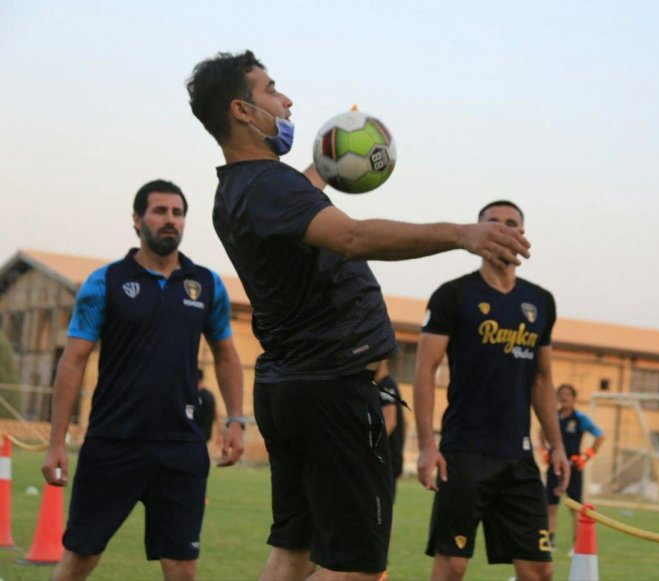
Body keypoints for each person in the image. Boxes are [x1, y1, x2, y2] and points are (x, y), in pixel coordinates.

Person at [186, 50, 530, 581]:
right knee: (356, 569)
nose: (287, 100)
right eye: (271, 90)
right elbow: (350, 236)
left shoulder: (235, 191)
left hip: (290, 388)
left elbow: (295, 202)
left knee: (293, 552)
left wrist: (327, 162)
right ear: (242, 111)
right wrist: (462, 234)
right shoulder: (270, 187)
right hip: (334, 391)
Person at [41, 180, 245, 581]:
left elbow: (226, 354)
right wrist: (55, 443)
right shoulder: (105, 282)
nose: (170, 220)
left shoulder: (207, 285)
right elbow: (73, 360)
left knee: (183, 570)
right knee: (78, 561)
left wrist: (236, 418)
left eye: (178, 213)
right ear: (137, 220)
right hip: (113, 443)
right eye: (160, 211)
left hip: (181, 448)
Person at [414, 200, 570, 581]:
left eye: (511, 223)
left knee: (539, 570)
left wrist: (557, 444)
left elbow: (542, 380)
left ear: (522, 235)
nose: (502, 229)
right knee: (452, 566)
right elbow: (424, 370)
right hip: (463, 452)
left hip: (518, 458)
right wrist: (426, 445)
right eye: (492, 223)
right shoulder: (453, 295)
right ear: (478, 233)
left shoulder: (540, 302)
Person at [540, 383, 604, 552]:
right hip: (555, 468)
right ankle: (549, 541)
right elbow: (541, 431)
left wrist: (587, 456)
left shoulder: (580, 419)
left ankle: (577, 544)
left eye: (568, 394)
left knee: (575, 508)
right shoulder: (553, 416)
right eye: (561, 394)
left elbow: (600, 436)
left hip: (574, 469)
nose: (564, 397)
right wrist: (543, 450)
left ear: (574, 398)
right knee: (550, 506)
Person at [375, 359, 406, 501]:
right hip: (388, 461)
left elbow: (390, 421)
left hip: (386, 462)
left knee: (380, 511)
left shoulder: (386, 386)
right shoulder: (380, 386)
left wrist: (369, 447)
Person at [196, 368, 225, 446]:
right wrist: (219, 433)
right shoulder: (209, 395)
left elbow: (216, 414)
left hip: (197, 435)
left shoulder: (198, 396)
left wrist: (219, 434)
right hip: (203, 435)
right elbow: (217, 414)